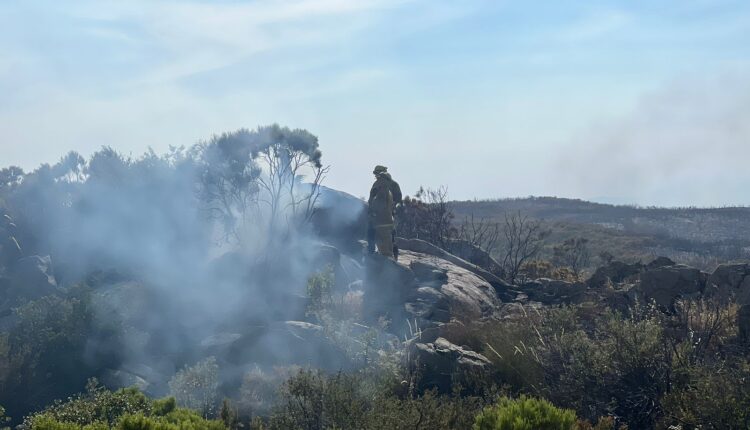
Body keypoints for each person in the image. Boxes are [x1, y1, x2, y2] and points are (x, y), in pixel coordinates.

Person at [367, 166, 395, 258]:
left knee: (384, 249)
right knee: (388, 246)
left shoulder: (381, 188)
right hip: (387, 221)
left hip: (380, 222)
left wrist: (372, 212)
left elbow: (378, 204)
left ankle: (386, 267)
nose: (376, 176)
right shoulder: (388, 190)